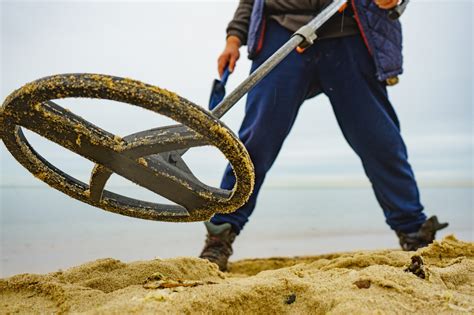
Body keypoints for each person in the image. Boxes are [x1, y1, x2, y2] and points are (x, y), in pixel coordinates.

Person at [199, 0, 448, 271]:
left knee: (380, 140)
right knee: (256, 141)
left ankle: (414, 233)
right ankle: (220, 235)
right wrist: (234, 39)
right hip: (282, 34)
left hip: (349, 33)